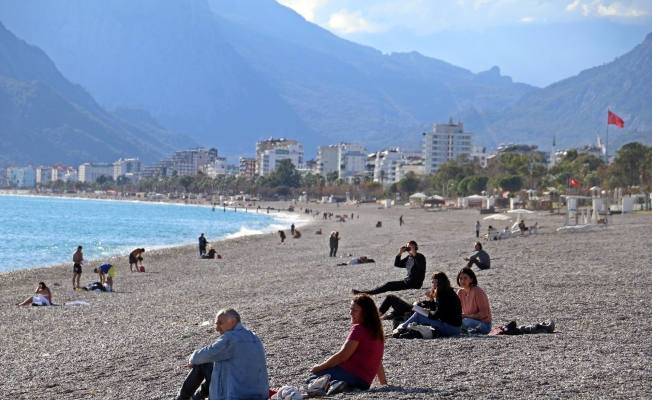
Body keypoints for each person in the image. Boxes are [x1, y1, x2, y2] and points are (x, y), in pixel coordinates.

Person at [172, 309, 269, 400]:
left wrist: (191, 358)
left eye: (220, 323)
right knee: (211, 365)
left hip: (235, 396)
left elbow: (205, 354)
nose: (217, 328)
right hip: (261, 396)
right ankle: (198, 397)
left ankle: (181, 399)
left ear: (233, 321)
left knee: (202, 364)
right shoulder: (254, 336)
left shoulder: (230, 338)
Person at [307, 294, 386, 391]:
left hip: (351, 373)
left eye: (355, 310)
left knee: (310, 380)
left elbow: (342, 356)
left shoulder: (359, 329)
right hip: (364, 383)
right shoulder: (376, 332)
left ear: (365, 313)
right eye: (350, 309)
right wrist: (384, 384)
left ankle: (335, 385)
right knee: (325, 380)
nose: (351, 313)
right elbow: (377, 361)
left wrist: (319, 368)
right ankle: (341, 386)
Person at [397, 271, 462, 337]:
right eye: (433, 282)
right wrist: (431, 299)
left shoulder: (443, 294)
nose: (434, 284)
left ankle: (401, 328)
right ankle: (404, 329)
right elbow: (438, 310)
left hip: (450, 328)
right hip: (455, 328)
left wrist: (429, 313)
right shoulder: (448, 291)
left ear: (441, 282)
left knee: (417, 315)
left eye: (436, 282)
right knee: (420, 315)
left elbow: (437, 315)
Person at [353, 241, 425, 295]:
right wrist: (399, 254)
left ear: (415, 247)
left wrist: (414, 253)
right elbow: (397, 264)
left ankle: (367, 293)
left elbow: (421, 266)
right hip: (408, 281)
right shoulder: (409, 258)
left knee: (389, 285)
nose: (409, 250)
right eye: (408, 248)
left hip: (415, 283)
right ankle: (366, 292)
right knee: (389, 285)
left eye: (411, 248)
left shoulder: (420, 256)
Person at [456, 267, 492, 334]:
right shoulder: (460, 292)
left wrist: (468, 316)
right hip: (467, 320)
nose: (463, 281)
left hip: (483, 324)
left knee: (465, 321)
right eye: (461, 278)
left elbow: (484, 313)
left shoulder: (477, 291)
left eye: (465, 278)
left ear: (471, 280)